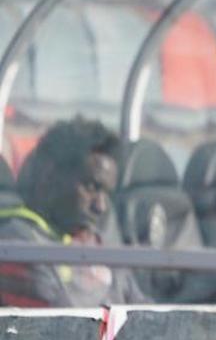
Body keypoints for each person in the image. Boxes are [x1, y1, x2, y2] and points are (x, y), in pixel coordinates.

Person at [0, 117, 144, 307]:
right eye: (91, 187)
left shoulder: (93, 241)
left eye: (106, 193)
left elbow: (145, 315)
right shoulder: (17, 246)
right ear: (49, 176)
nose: (100, 206)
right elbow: (60, 328)